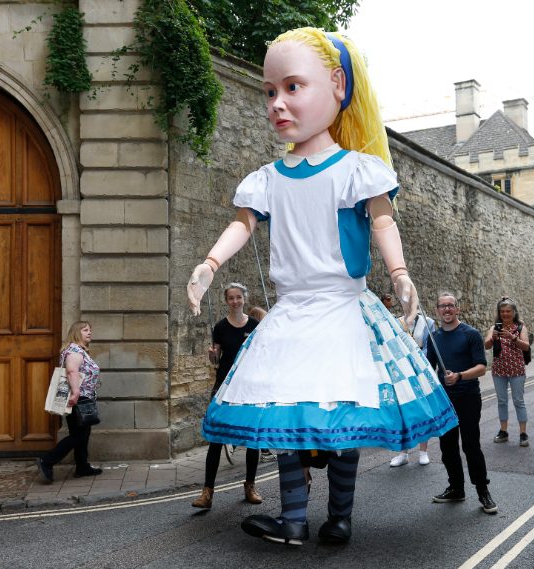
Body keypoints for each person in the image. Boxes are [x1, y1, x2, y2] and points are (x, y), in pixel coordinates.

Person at [186, 27, 457, 546]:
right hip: (290, 314)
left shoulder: (358, 170)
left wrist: (400, 274)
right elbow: (243, 224)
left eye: (293, 87)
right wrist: (210, 263)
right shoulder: (267, 178)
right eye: (270, 91)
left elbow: (382, 220)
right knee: (287, 420)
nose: (278, 102)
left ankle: (339, 517)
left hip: (341, 311)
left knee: (343, 415)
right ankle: (293, 520)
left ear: (337, 85)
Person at [191, 283, 263, 508]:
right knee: (216, 438)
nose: (235, 301)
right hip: (224, 386)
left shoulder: (255, 326)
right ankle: (207, 492)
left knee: (252, 439)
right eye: (231, 298)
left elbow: (261, 355)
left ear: (244, 298)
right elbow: (216, 360)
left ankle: (250, 486)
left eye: (238, 297)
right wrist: (212, 355)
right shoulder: (220, 327)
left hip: (249, 388)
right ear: (226, 301)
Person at [425, 293, 497, 514]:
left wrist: (459, 376)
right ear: (437, 310)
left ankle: (483, 490)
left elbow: (481, 368)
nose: (447, 309)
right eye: (442, 306)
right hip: (444, 399)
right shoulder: (433, 337)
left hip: (468, 397)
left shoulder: (471, 334)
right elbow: (429, 368)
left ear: (458, 309)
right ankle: (456, 488)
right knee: (447, 447)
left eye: (451, 305)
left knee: (470, 444)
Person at [37, 321, 102, 482]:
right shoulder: (74, 350)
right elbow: (72, 371)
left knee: (83, 433)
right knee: (79, 434)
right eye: (85, 330)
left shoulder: (78, 350)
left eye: (90, 330)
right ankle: (47, 460)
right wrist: (76, 392)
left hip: (82, 397)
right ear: (76, 332)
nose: (89, 332)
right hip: (79, 397)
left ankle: (82, 466)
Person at [383, 292, 433, 467]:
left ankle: (423, 451)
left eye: (411, 301)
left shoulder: (428, 322)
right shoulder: (396, 322)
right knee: (403, 412)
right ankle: (403, 453)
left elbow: (429, 347)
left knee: (423, 411)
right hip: (402, 372)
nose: (407, 304)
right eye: (404, 301)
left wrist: (416, 359)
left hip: (420, 371)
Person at [483, 297, 531, 447]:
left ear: (514, 312)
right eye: (502, 311)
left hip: (516, 370)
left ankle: (523, 433)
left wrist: (512, 337)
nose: (505, 314)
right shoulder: (494, 328)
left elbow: (526, 346)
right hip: (499, 370)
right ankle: (503, 431)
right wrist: (492, 339)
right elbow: (486, 346)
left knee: (518, 401)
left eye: (508, 311)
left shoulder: (520, 327)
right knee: (502, 401)